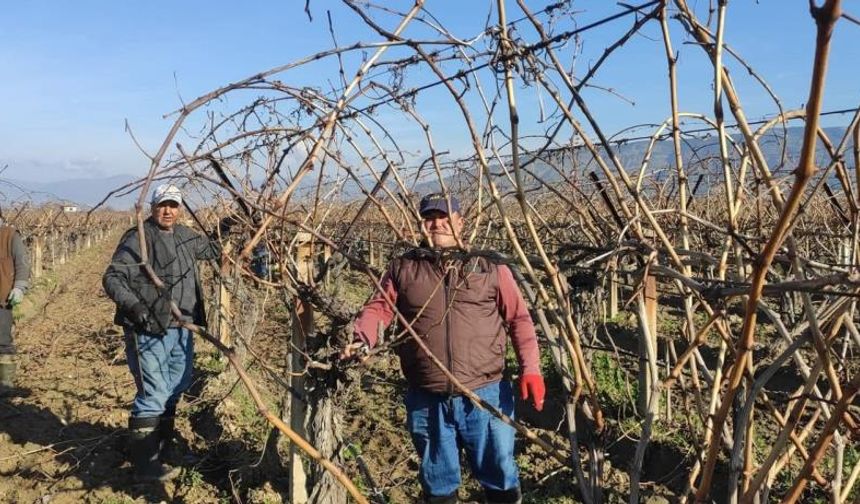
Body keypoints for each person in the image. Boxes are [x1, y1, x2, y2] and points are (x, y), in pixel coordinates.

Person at [342, 193, 546, 504]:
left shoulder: (488, 265)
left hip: (485, 394)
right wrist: (362, 339)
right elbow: (378, 309)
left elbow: (519, 319)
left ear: (460, 221)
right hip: (427, 397)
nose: (436, 223)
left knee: (500, 477)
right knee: (437, 484)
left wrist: (531, 368)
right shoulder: (404, 267)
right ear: (421, 224)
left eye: (444, 216)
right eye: (429, 218)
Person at [103, 184, 220, 482]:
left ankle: (164, 449)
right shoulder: (138, 238)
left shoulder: (185, 237)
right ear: (152, 207)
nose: (168, 210)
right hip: (150, 328)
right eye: (162, 205)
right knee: (153, 393)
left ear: (180, 209)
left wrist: (232, 225)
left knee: (176, 387)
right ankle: (145, 464)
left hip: (183, 327)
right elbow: (113, 277)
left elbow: (212, 250)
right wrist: (136, 309)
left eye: (174, 205)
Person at [0, 218, 30, 397]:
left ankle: (5, 382)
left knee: (2, 342)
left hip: (2, 299)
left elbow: (22, 263)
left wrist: (19, 286)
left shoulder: (10, 235)